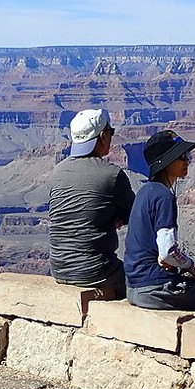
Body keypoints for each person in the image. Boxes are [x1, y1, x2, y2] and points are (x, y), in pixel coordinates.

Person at [123, 130, 195, 317]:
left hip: (133, 287)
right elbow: (168, 251)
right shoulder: (164, 196)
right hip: (155, 289)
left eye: (187, 155)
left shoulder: (145, 191)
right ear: (166, 162)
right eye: (181, 156)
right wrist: (189, 265)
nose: (187, 160)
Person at [48, 108, 135, 295]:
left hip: (58, 269)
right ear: (103, 137)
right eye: (110, 133)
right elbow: (134, 215)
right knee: (149, 283)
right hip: (97, 271)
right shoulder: (112, 174)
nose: (111, 137)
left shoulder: (57, 172)